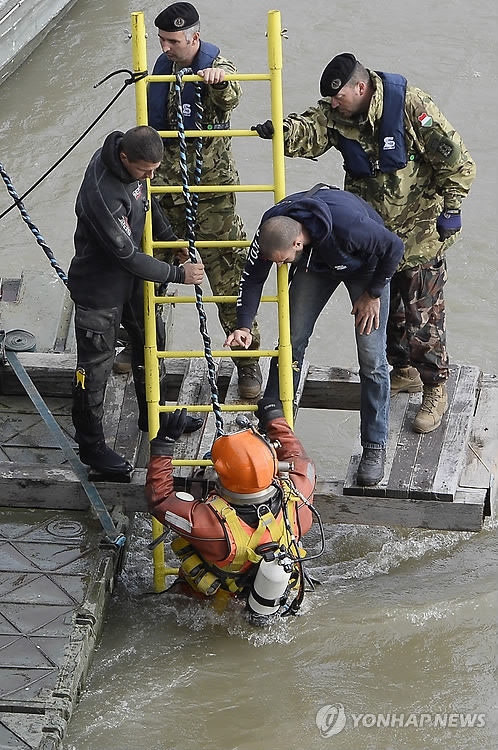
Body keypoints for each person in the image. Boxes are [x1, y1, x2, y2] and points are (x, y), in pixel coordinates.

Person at [252, 53, 476, 433]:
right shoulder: (336, 111)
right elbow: (311, 131)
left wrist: (452, 208)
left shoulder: (409, 105)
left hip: (419, 232)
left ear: (361, 87)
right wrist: (281, 132)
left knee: (423, 318)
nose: (334, 103)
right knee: (390, 320)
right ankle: (402, 370)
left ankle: (435, 388)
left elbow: (457, 160)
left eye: (339, 96)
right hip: (367, 236)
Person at [225, 186, 405, 486]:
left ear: (297, 242)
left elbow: (394, 247)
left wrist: (373, 294)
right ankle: (271, 421)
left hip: (365, 267)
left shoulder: (350, 226)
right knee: (290, 341)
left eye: (282, 261)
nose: (280, 267)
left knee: (372, 358)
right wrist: (243, 325)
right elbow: (254, 277)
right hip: (315, 265)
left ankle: (374, 446)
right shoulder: (273, 227)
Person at [68, 125, 205, 476]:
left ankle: (152, 414)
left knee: (151, 341)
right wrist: (178, 275)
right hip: (99, 288)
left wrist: (170, 238)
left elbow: (147, 199)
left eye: (153, 169)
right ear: (125, 158)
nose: (150, 175)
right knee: (94, 368)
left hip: (130, 283)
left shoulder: (134, 166)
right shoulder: (103, 195)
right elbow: (127, 254)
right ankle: (92, 447)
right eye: (145, 169)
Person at [144, 1, 262, 399]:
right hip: (165, 192)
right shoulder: (162, 69)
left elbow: (232, 94)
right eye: (161, 40)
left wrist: (217, 81)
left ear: (195, 37)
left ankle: (247, 364)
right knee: (152, 274)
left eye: (173, 41)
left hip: (210, 193)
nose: (166, 48)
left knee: (227, 277)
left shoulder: (216, 65)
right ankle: (145, 351)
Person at [145, 398, 316, 623]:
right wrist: (274, 417)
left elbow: (159, 500)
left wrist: (163, 445)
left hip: (207, 606)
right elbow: (298, 457)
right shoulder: (298, 495)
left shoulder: (209, 523)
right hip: (272, 594)